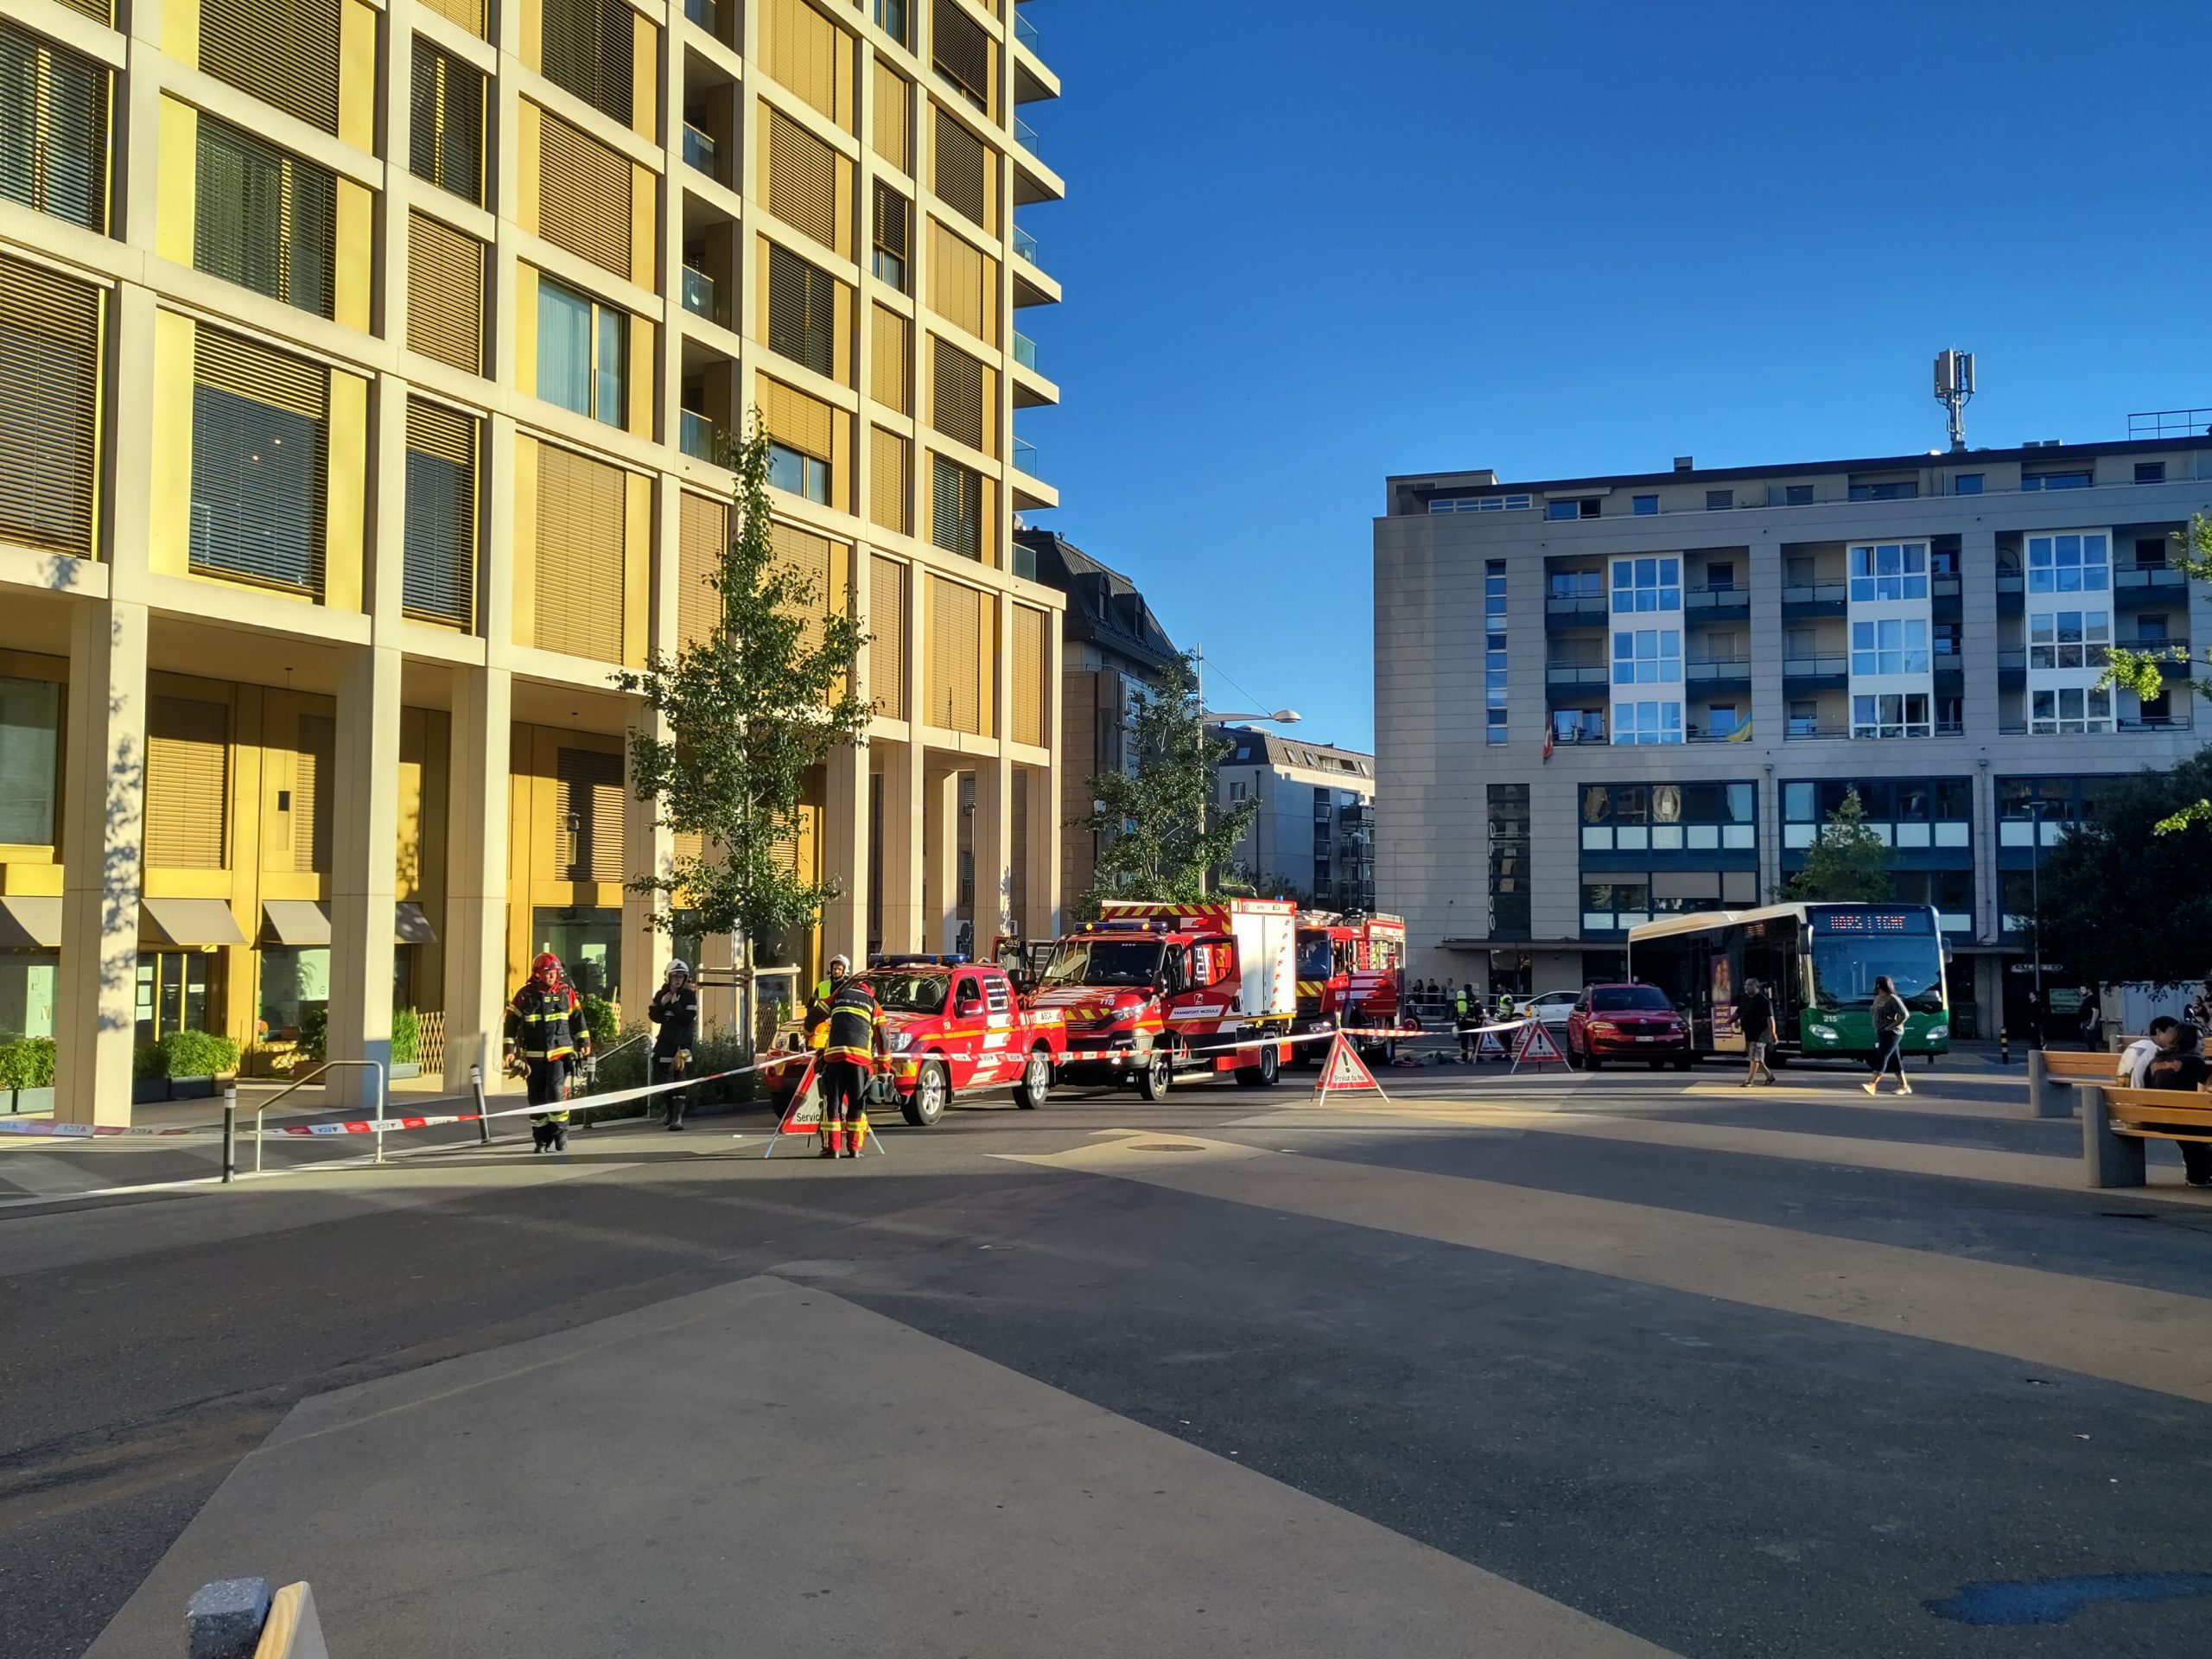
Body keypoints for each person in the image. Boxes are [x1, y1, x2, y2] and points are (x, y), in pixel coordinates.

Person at [505, 952, 592, 1153]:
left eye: (554, 973)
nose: (551, 976)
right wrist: (509, 1050)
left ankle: (561, 1134)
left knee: (556, 1091)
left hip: (559, 1054)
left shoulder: (566, 992)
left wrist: (583, 1041)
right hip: (533, 1057)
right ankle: (541, 1140)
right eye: (547, 973)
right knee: (536, 1099)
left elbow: (578, 1018)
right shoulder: (525, 995)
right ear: (538, 974)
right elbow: (511, 1023)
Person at [817, 971, 884, 1159]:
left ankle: (834, 1149)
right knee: (857, 1103)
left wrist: (809, 1035)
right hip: (859, 1061)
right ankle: (854, 1149)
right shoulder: (873, 1004)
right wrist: (885, 1067)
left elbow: (816, 1014)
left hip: (835, 1059)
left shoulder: (839, 996)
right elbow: (883, 1036)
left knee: (834, 1103)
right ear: (871, 992)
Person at [2142, 1023, 2212, 1188]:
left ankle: (2198, 1175)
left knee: (2190, 1131)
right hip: (2188, 1121)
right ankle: (2199, 1174)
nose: (2203, 1043)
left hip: (2160, 1121)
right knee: (2196, 1124)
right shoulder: (2195, 1062)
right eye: (2200, 1039)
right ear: (2188, 1039)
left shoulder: (2155, 1061)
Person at [649, 958, 700, 1130]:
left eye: (681, 976)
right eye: (675, 976)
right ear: (668, 977)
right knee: (660, 1078)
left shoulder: (689, 996)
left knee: (680, 1079)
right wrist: (663, 1004)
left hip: (682, 1044)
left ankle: (678, 1118)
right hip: (665, 1041)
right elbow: (655, 1017)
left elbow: (686, 1019)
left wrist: (676, 1004)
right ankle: (669, 1114)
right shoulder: (661, 994)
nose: (678, 979)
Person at [1864, 974, 1911, 1096]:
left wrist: (1891, 1026)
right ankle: (1904, 1086)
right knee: (1895, 1060)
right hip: (1881, 1031)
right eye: (1878, 984)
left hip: (1892, 1032)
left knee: (1882, 1056)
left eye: (1881, 984)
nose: (1878, 986)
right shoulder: (1878, 998)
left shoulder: (1892, 998)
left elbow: (1905, 1015)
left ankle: (1872, 1084)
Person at [2117, 1015, 2181, 1088]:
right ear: (2159, 1032)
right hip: (2142, 1096)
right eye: (2173, 1032)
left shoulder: (2134, 1045)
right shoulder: (2157, 1052)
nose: (2177, 1037)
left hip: (2122, 1094)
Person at [805, 955, 852, 1050]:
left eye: (839, 969)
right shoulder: (822, 985)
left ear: (845, 971)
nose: (836, 971)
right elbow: (810, 1005)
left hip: (840, 1028)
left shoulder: (849, 987)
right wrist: (813, 1021)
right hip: (821, 1030)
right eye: (834, 968)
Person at [1737, 976, 1776, 1087]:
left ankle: (1750, 1081)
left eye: (1749, 985)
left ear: (1757, 987)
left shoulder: (1764, 1001)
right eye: (1745, 985)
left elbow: (1770, 1019)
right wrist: (1729, 1021)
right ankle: (1769, 1076)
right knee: (1754, 1057)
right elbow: (1738, 1012)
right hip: (1749, 1033)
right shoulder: (1745, 999)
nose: (1746, 987)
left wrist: (1773, 1034)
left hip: (1760, 1034)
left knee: (1755, 1057)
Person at [2076, 985, 2103, 1052]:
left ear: (2088, 989)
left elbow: (2096, 1010)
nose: (2081, 991)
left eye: (2083, 989)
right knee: (2087, 1039)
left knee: (2090, 1039)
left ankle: (2093, 1054)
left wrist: (2092, 1022)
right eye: (2081, 990)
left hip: (2089, 1021)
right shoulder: (2086, 999)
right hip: (2085, 1021)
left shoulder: (2092, 998)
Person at [1454, 983, 1476, 1062]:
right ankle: (1477, 1055)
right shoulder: (1473, 998)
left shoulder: (1460, 999)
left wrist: (1457, 1021)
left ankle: (1464, 1056)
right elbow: (1478, 1009)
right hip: (1473, 1022)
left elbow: (1455, 1010)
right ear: (1471, 989)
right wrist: (1480, 1018)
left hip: (1462, 1022)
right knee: (1475, 1040)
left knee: (1464, 1040)